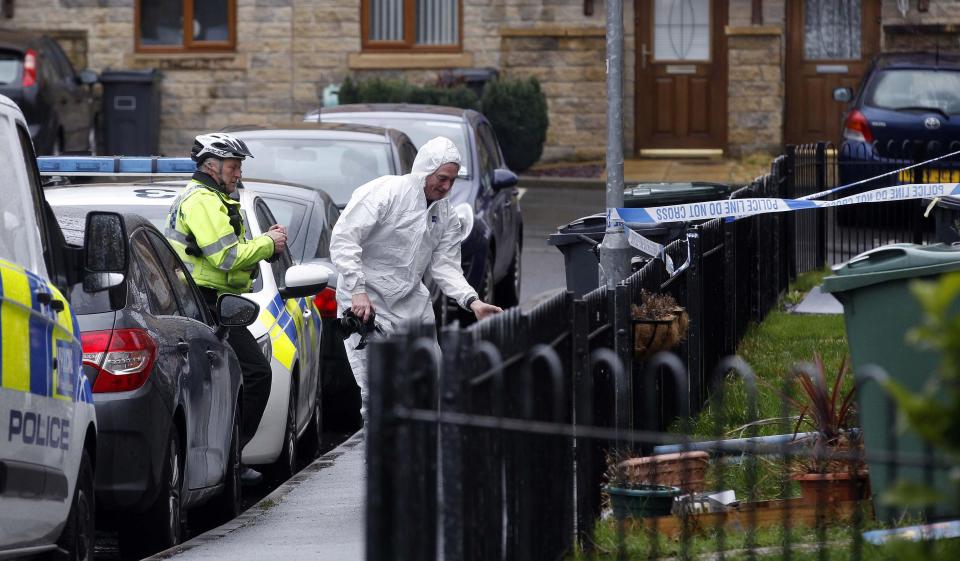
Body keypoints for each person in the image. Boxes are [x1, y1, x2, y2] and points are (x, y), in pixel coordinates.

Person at [330, 136, 503, 422]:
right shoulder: (386, 193)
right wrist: (357, 289)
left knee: (429, 379)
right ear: (425, 170)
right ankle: (378, 456)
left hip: (411, 303)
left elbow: (445, 265)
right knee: (377, 387)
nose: (447, 187)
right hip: (367, 304)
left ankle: (417, 453)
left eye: (452, 181)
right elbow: (345, 238)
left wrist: (472, 301)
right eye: (442, 178)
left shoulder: (445, 212)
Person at [165, 132, 288, 485]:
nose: (238, 174)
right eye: (233, 166)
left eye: (238, 167)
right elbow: (226, 256)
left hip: (211, 302)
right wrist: (268, 243)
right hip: (203, 303)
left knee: (230, 381)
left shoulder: (214, 199)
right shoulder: (203, 200)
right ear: (210, 166)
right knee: (256, 374)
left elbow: (228, 249)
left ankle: (227, 458)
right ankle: (233, 457)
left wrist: (267, 243)